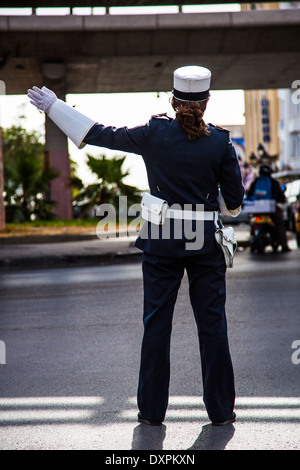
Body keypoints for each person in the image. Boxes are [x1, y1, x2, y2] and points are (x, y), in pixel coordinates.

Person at [27, 65, 244, 426]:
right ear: (206, 102)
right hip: (205, 245)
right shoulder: (220, 142)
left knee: (156, 325)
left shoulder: (154, 132)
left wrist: (55, 107)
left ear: (173, 101)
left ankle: (152, 412)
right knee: (213, 326)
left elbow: (101, 134)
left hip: (161, 242)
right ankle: (221, 411)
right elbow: (234, 202)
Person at [247, 164, 291, 252]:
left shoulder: (255, 182)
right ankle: (284, 245)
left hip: (257, 210)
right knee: (280, 224)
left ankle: (252, 243)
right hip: (270, 210)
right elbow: (281, 197)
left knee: (252, 224)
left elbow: (249, 195)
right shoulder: (273, 182)